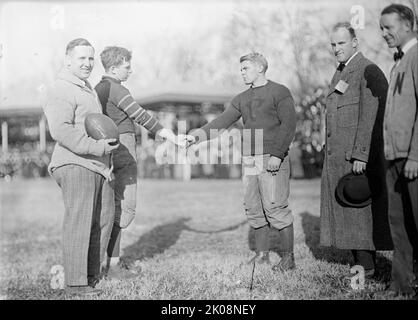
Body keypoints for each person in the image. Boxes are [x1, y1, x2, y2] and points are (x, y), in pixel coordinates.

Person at [187, 52, 297, 271]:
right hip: (249, 159)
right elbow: (222, 121)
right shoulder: (241, 98)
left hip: (272, 158)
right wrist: (196, 136)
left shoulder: (280, 92)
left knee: (275, 206)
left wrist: (277, 154)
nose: (242, 73)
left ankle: (288, 259)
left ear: (260, 68)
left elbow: (289, 125)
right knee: (253, 206)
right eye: (241, 69)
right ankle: (262, 255)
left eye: (245, 68)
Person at [95, 46, 186, 279]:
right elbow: (141, 116)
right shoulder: (117, 89)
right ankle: (112, 265)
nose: (131, 70)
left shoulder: (96, 89)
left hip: (102, 152)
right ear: (114, 68)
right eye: (127, 66)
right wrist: (173, 137)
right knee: (125, 210)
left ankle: (106, 262)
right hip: (123, 149)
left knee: (108, 208)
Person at [43, 38, 119, 296]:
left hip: (96, 165)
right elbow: (61, 130)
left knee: (103, 219)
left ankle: (90, 276)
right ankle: (76, 284)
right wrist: (98, 148)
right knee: (80, 221)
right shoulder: (61, 88)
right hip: (74, 163)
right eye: (81, 59)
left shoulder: (86, 88)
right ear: (67, 60)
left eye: (90, 58)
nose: (87, 63)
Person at [319, 22, 392, 279]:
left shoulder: (366, 69)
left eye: (341, 43)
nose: (336, 48)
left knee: (358, 209)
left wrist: (362, 153)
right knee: (347, 208)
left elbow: (371, 115)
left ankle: (367, 266)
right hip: (338, 156)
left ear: (354, 42)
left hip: (355, 158)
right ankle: (360, 263)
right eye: (333, 44)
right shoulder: (341, 72)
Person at [380, 4, 418, 297]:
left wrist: (416, 155)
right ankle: (401, 283)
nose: (383, 34)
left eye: (388, 27)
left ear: (407, 25)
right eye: (381, 28)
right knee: (398, 223)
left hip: (412, 158)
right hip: (394, 157)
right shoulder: (398, 63)